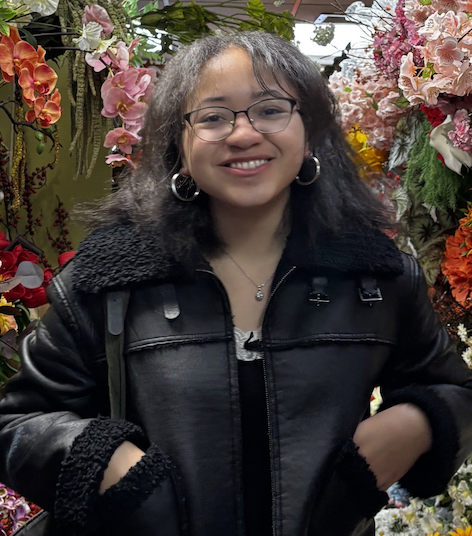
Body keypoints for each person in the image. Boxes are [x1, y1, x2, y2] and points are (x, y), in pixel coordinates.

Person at [0, 31, 471, 536]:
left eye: (270, 110)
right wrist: (119, 473)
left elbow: (451, 389)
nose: (244, 134)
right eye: (213, 117)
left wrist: (414, 424)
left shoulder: (375, 276)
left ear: (309, 132)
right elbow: (20, 424)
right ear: (179, 145)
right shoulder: (111, 277)